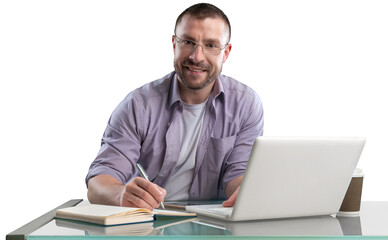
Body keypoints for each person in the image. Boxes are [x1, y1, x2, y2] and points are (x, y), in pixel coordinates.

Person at [86, 3, 264, 211]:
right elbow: (99, 182)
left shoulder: (246, 105)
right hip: (148, 223)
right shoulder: (138, 105)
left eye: (211, 45)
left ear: (226, 53)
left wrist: (248, 190)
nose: (197, 57)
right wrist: (121, 194)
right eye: (188, 42)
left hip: (213, 227)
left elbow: (238, 174)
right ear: (174, 44)